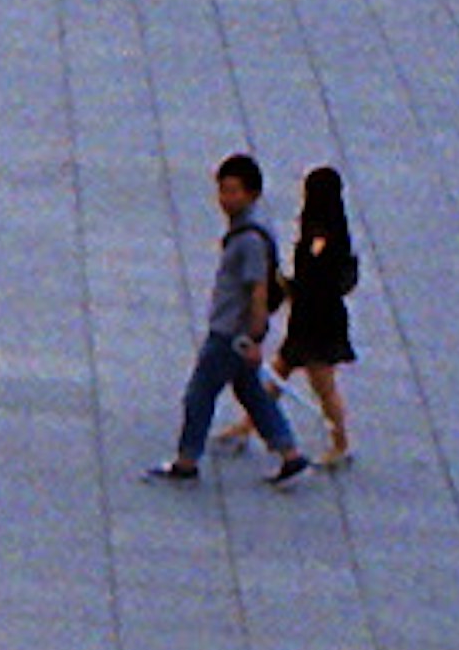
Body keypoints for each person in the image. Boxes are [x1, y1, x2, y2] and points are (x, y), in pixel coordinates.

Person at [145, 152, 303, 483]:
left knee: (199, 395)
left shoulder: (248, 241)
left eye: (233, 191)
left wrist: (254, 336)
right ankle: (289, 452)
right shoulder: (251, 228)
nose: (225, 199)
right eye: (222, 190)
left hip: (230, 334)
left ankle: (187, 461)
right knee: (251, 392)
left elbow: (257, 290)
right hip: (237, 333)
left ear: (252, 193)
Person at [280, 162, 361, 467]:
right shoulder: (336, 228)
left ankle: (340, 443)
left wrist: (291, 287)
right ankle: (249, 425)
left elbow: (313, 273)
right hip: (313, 317)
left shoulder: (320, 233)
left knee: (323, 385)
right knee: (279, 371)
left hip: (316, 322)